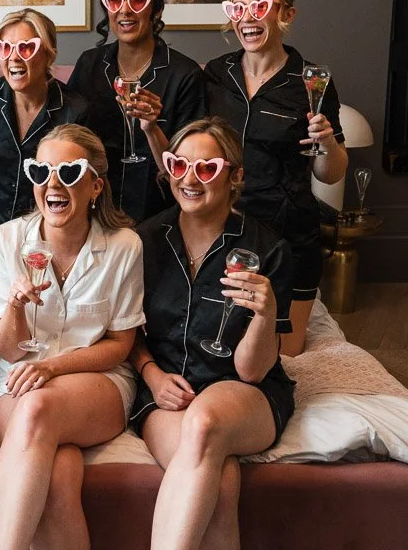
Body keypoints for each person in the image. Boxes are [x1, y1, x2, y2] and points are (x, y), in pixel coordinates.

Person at [129, 117, 296, 550]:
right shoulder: (144, 241)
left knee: (203, 425)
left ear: (234, 177)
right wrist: (151, 375)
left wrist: (265, 314)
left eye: (206, 169)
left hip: (240, 388)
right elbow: (125, 332)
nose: (190, 179)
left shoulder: (267, 249)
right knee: (219, 487)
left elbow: (253, 371)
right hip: (164, 389)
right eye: (179, 166)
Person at [0, 124, 145, 550]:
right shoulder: (6, 239)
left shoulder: (125, 246)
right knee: (58, 478)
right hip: (12, 378)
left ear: (95, 185)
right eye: (41, 172)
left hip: (97, 380)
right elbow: (5, 348)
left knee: (36, 410)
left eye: (69, 173)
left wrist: (51, 367)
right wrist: (16, 306)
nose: (52, 184)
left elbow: (119, 345)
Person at [203, 0, 348, 354]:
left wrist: (327, 142)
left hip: (289, 237)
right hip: (224, 233)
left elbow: (330, 173)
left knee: (285, 355)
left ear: (286, 14)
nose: (247, 17)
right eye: (238, 8)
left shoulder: (311, 82)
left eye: (260, 6)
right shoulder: (216, 75)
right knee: (224, 343)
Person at [0, 9, 89, 325]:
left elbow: (80, 190)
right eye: (5, 47)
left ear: (48, 52)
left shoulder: (76, 109)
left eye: (26, 48)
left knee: (39, 338)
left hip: (48, 246)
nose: (14, 58)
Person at [69, 0, 205, 223]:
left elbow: (190, 165)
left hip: (159, 212)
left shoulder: (184, 74)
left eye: (137, 0)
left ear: (156, 10)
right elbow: (67, 134)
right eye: (115, 0)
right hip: (94, 210)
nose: (125, 11)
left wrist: (153, 127)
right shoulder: (90, 65)